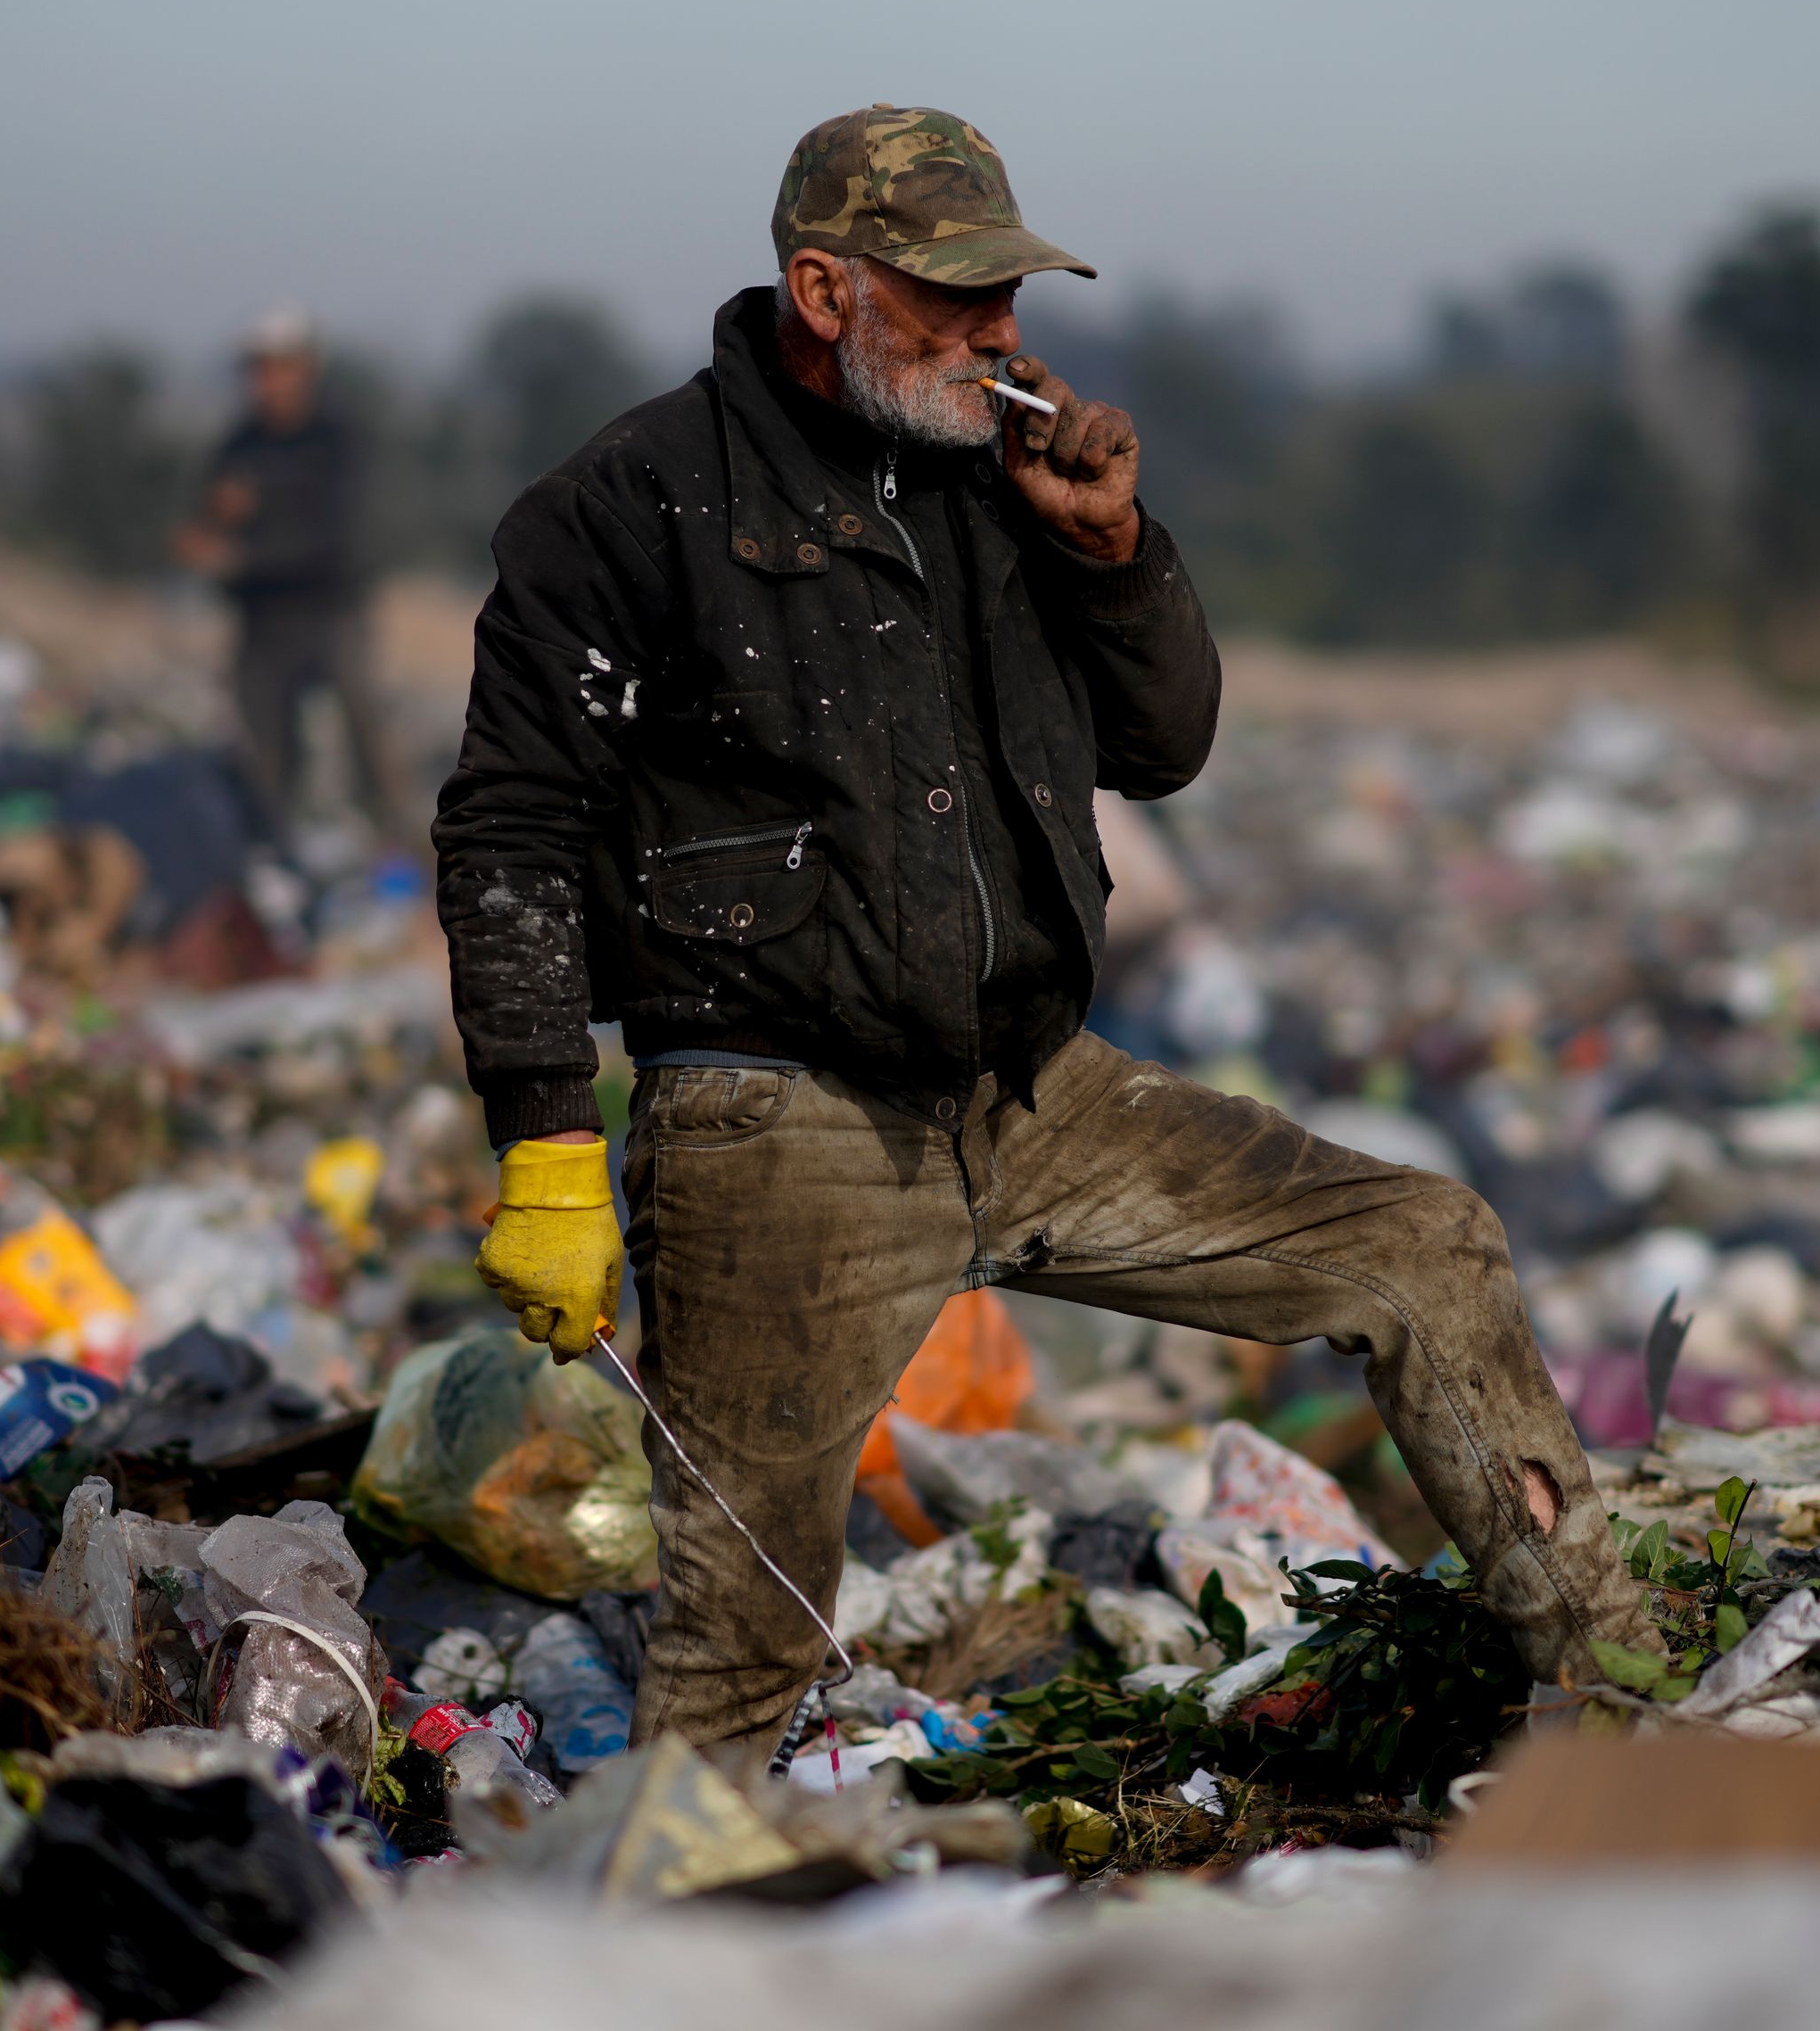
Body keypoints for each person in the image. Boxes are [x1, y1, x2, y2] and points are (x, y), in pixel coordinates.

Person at [432, 105, 1655, 1761]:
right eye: (950, 295)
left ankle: (1641, 1716)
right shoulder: (627, 509)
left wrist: (1113, 557)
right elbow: (508, 829)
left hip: (1036, 1092)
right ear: (821, 288)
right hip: (778, 1127)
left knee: (1423, 1248)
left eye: (1007, 289)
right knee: (743, 1649)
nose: (999, 330)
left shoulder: (1006, 480)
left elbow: (1164, 749)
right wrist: (547, 1148)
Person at [177, 309, 394, 837]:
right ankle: (273, 845)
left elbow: (335, 535)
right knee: (264, 746)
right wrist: (210, 531)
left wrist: (246, 555)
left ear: (307, 369)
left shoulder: (336, 439)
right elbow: (210, 518)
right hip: (262, 620)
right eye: (258, 370)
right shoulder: (240, 444)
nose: (267, 382)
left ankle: (398, 837)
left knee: (365, 728)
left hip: (329, 610)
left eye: (279, 368)